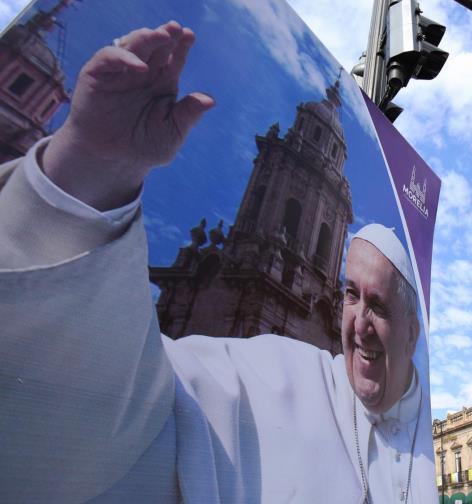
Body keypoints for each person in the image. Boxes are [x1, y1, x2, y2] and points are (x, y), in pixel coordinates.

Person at [0, 21, 434, 503]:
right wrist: (91, 174)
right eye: (352, 294)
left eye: (380, 304)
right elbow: (117, 419)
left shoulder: (413, 420)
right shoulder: (263, 370)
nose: (359, 322)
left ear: (413, 330)